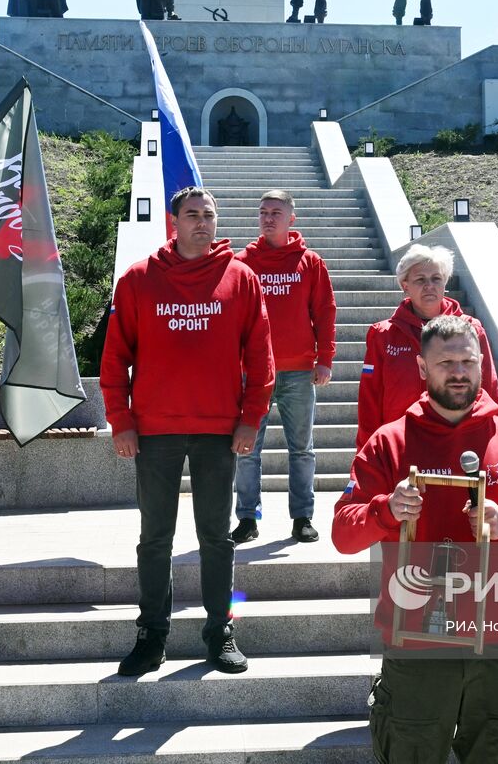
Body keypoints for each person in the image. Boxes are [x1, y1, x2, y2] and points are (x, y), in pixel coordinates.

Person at [333, 315, 498, 764]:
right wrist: (386, 509)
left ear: (482, 363)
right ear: (421, 368)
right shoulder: (389, 443)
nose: (459, 371)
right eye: (445, 362)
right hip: (417, 643)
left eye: (467, 360)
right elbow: (344, 532)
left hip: (495, 638)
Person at [100, 186, 274, 676]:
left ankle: (220, 630)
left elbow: (261, 356)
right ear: (173, 222)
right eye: (193, 214)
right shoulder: (138, 280)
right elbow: (115, 358)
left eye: (210, 214)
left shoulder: (240, 279)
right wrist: (121, 421)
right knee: (155, 538)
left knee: (217, 538)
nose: (203, 222)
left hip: (220, 431)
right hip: (154, 431)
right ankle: (151, 635)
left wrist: (250, 419)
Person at [232, 190, 337, 544]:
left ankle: (302, 517)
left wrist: (325, 359)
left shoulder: (310, 261)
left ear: (291, 218)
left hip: (297, 371)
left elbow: (324, 312)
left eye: (276, 212)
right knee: (247, 450)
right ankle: (247, 518)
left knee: (302, 448)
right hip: (254, 372)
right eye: (263, 212)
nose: (268, 218)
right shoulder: (243, 261)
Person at [357, 244, 498, 449]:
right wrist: (367, 452)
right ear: (405, 285)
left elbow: (490, 390)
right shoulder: (383, 335)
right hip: (402, 444)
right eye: (420, 280)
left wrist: (495, 440)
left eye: (436, 279)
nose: (429, 286)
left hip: (461, 442)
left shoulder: (472, 329)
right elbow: (369, 400)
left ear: (445, 282)